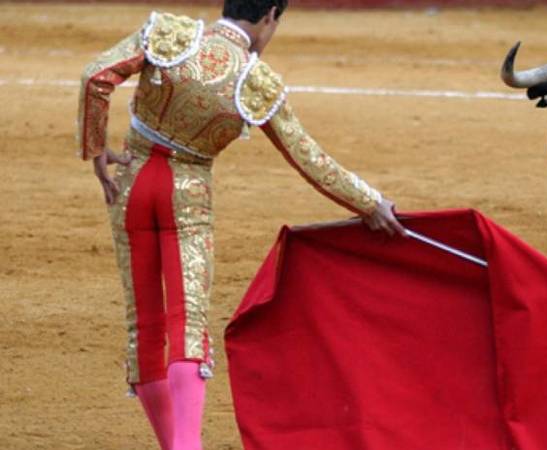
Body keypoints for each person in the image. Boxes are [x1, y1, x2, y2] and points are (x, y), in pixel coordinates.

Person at [77, 1, 405, 448]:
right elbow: (309, 158)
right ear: (270, 15)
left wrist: (97, 151)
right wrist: (371, 204)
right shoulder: (253, 80)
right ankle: (187, 444)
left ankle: (175, 444)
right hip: (186, 197)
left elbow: (96, 77)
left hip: (131, 186)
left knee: (146, 326)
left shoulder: (171, 33)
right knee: (186, 322)